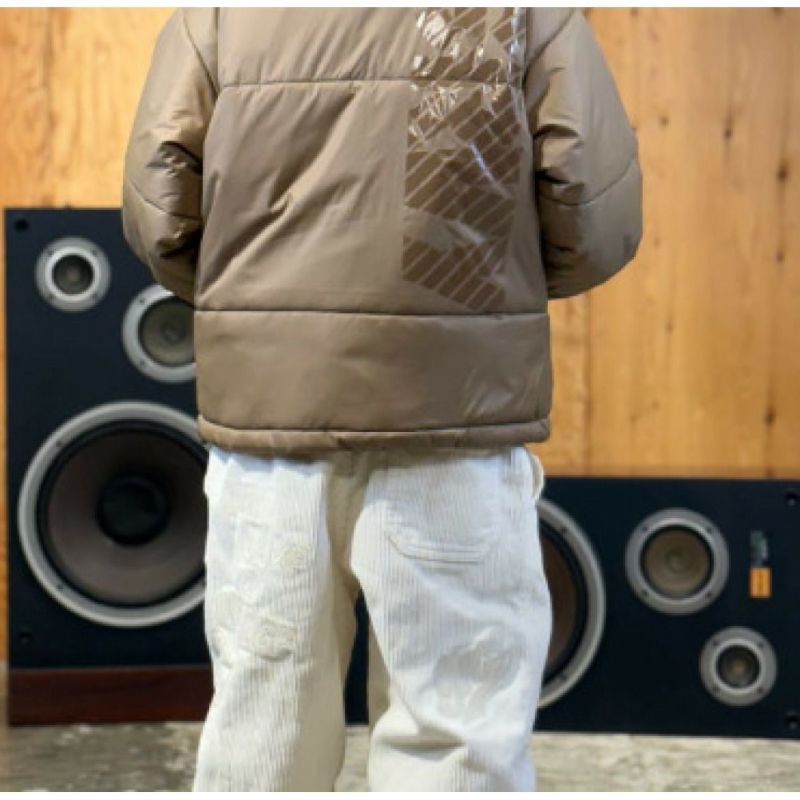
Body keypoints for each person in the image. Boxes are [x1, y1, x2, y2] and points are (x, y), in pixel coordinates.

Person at [121, 7, 642, 791]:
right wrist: (479, 307)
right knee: (457, 735)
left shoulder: (218, 14)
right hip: (452, 422)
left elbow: (159, 212)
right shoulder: (526, 12)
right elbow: (596, 217)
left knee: (264, 731)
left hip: (271, 431)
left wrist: (263, 315)